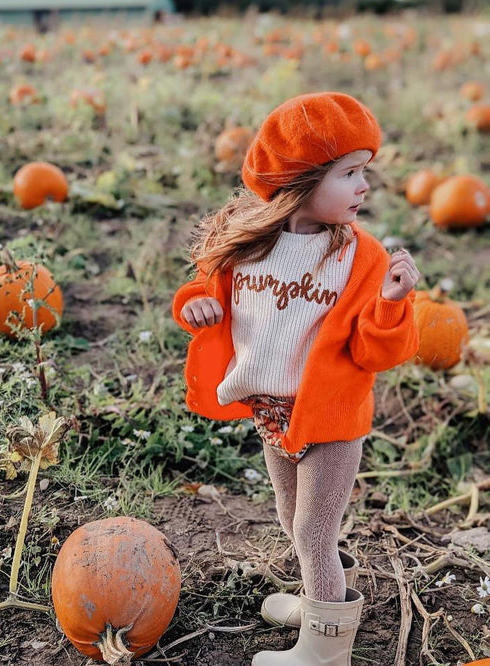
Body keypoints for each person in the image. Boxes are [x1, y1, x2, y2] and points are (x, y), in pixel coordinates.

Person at [172, 91, 420, 666]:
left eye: (365, 173)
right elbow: (207, 294)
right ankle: (319, 598)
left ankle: (325, 648)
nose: (364, 188)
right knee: (293, 521)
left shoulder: (360, 258)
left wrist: (390, 303)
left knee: (311, 529)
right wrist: (195, 307)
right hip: (271, 411)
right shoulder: (249, 243)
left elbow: (376, 350)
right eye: (350, 174)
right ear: (301, 178)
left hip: (331, 417)